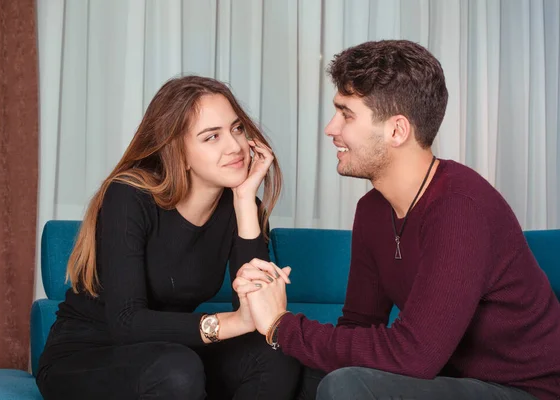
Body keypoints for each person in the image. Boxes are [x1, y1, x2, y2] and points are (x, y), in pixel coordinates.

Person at [234, 40, 560, 400]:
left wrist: (282, 326)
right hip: (448, 380)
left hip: (526, 390)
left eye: (346, 114)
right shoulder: (373, 210)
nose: (330, 128)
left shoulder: (461, 208)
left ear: (396, 130)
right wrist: (285, 336)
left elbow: (415, 355)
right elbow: (359, 325)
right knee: (307, 370)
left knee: (345, 386)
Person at [35, 75, 301, 400]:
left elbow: (254, 311)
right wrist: (233, 323)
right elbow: (126, 322)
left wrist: (246, 199)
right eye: (211, 137)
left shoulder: (243, 206)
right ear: (179, 152)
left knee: (277, 356)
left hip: (170, 354)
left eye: (237, 128)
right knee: (176, 369)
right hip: (89, 355)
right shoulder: (129, 196)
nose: (235, 146)